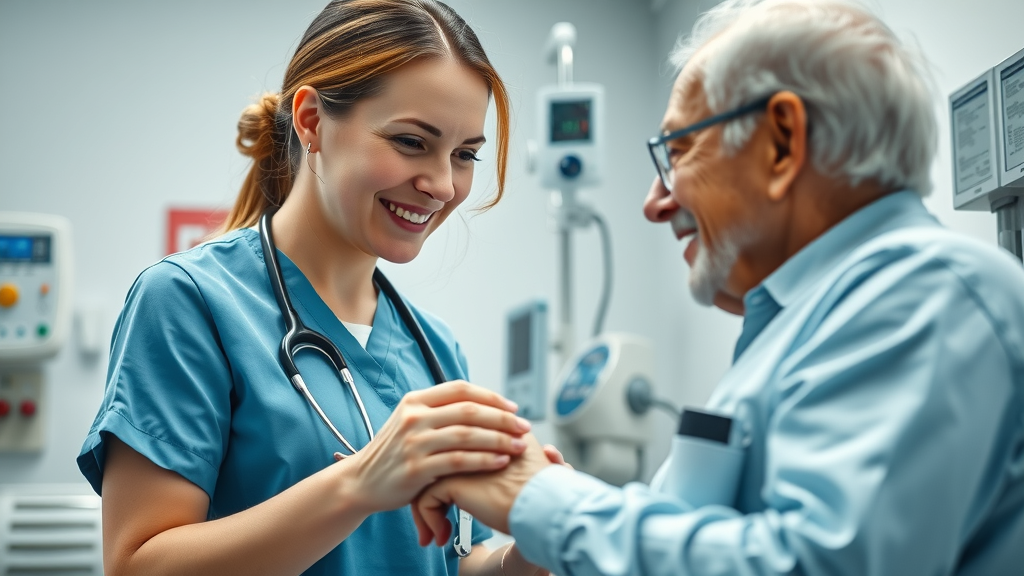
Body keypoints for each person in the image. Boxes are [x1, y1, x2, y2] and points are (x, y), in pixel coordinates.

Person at [411, 1, 1024, 574]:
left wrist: (543, 502)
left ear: (782, 141)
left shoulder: (929, 296)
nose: (654, 203)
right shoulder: (794, 329)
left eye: (678, 151)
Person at [76, 1, 551, 574]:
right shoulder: (189, 302)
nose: (443, 184)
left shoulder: (435, 347)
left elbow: (449, 558)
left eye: (465, 154)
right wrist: (360, 481)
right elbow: (137, 564)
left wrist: (529, 554)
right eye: (410, 141)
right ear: (310, 121)